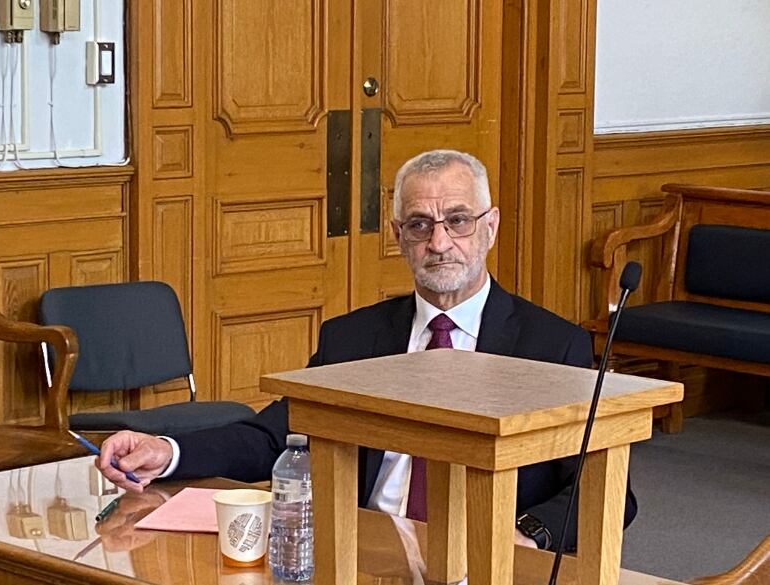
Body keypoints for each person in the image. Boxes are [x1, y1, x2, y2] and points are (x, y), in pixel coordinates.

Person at [97, 149, 636, 551]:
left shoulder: (550, 344)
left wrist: (527, 535)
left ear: (489, 228)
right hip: (362, 553)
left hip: (486, 558)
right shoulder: (352, 339)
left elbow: (605, 490)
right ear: (400, 235)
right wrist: (169, 450)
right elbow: (273, 437)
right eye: (421, 225)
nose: (440, 242)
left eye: (458, 220)